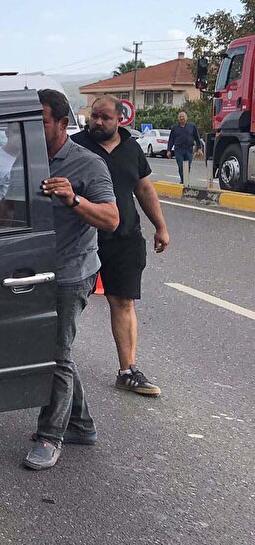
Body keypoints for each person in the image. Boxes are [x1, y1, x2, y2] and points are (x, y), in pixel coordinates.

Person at [25, 89, 120, 471]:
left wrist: (74, 200)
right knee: (55, 348)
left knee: (56, 354)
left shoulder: (88, 164)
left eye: (42, 121)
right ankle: (81, 423)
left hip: (71, 272)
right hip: (34, 271)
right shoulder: (28, 159)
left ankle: (51, 436)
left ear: (63, 124)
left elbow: (112, 218)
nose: (34, 128)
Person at [72, 97, 169, 395]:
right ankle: (54, 364)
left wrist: (161, 227)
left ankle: (127, 370)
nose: (98, 122)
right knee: (67, 301)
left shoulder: (132, 148)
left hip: (124, 238)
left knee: (124, 302)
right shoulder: (74, 146)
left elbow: (144, 188)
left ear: (119, 120)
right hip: (80, 239)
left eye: (105, 117)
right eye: (94, 116)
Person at [167, 111, 204, 185]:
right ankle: (183, 181)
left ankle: (185, 181)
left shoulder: (192, 126)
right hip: (178, 149)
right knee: (181, 166)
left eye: (183, 116)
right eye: (180, 117)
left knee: (187, 166)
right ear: (178, 118)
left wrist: (199, 148)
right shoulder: (175, 128)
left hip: (189, 149)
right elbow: (171, 139)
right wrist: (169, 150)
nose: (181, 118)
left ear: (186, 118)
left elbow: (197, 138)